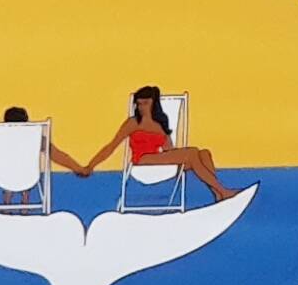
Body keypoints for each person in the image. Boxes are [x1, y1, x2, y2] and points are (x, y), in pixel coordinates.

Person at [64, 85, 229, 200]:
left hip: (159, 159)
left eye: (146, 103)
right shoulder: (133, 123)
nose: (142, 107)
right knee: (192, 152)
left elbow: (168, 149)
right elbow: (111, 146)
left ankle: (217, 194)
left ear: (153, 103)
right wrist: (90, 166)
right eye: (139, 103)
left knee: (204, 153)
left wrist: (178, 155)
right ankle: (223, 191)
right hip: (142, 160)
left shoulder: (160, 123)